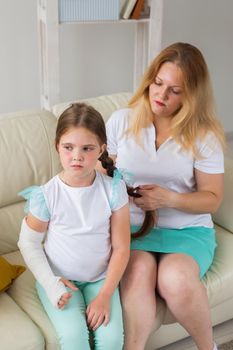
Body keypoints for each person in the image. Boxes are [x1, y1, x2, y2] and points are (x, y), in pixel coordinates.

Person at [105, 42, 225, 350]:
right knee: (138, 273)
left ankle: (208, 347)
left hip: (186, 230)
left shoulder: (204, 135)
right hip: (132, 230)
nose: (161, 95)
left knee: (175, 280)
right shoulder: (121, 121)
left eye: (175, 90)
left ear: (192, 95)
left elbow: (212, 198)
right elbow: (104, 177)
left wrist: (168, 199)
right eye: (158, 83)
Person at [18, 103, 130, 350]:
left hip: (100, 279)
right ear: (57, 146)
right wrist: (51, 283)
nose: (77, 156)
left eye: (87, 148)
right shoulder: (47, 195)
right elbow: (28, 242)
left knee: (112, 341)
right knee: (73, 339)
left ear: (101, 149)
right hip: (60, 278)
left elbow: (122, 247)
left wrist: (105, 295)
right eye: (68, 147)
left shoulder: (113, 189)